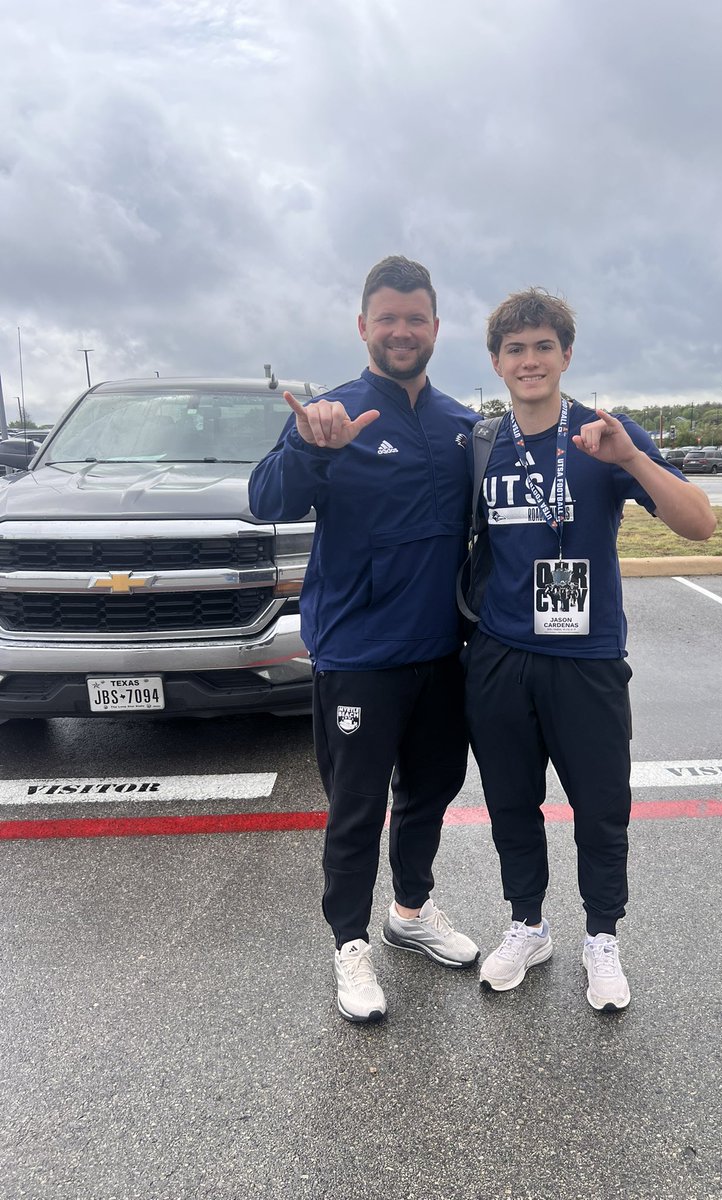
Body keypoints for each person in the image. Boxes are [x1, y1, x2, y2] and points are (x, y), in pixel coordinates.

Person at [462, 289, 716, 1011]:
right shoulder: (481, 444)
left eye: (544, 346)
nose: (530, 360)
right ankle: (528, 924)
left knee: (601, 808)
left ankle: (601, 937)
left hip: (588, 658)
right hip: (501, 657)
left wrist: (632, 457)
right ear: (496, 362)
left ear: (567, 355)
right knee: (512, 804)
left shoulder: (607, 435)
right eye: (516, 349)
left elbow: (701, 524)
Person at [249, 256, 480, 1024]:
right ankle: (350, 943)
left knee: (431, 792)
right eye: (388, 318)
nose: (402, 331)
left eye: (416, 318)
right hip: (358, 657)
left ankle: (410, 913)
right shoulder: (329, 414)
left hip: (441, 655)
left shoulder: (458, 425)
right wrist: (310, 447)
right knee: (355, 808)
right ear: (363, 326)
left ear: (436, 328)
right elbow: (265, 500)